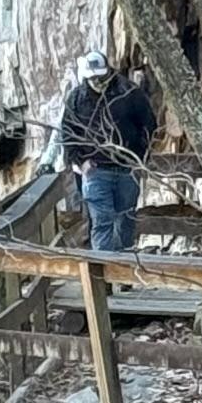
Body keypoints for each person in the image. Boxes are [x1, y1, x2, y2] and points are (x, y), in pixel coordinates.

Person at [59, 43, 156, 265]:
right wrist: (80, 162)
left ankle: (124, 271)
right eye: (93, 79)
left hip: (126, 168)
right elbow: (68, 133)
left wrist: (139, 158)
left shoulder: (128, 92)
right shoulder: (77, 99)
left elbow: (148, 124)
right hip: (96, 171)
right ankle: (103, 279)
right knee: (101, 221)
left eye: (101, 78)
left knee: (125, 220)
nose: (98, 83)